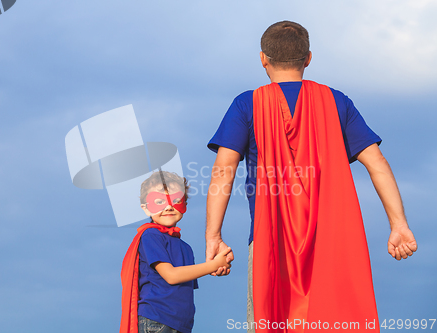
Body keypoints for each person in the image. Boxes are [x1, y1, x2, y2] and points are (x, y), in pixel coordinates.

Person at [205, 21, 417, 333]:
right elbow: (377, 162)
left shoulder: (246, 104)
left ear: (263, 58)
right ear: (308, 58)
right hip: (334, 241)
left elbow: (224, 169)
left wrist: (213, 236)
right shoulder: (337, 101)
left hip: (269, 239)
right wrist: (399, 224)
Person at [120, 170, 232, 333]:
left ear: (184, 204)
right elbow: (171, 276)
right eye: (159, 201)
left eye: (176, 200)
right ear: (145, 208)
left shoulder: (185, 247)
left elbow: (185, 283)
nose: (168, 207)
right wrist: (213, 265)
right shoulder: (150, 235)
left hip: (180, 323)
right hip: (156, 320)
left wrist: (216, 267)